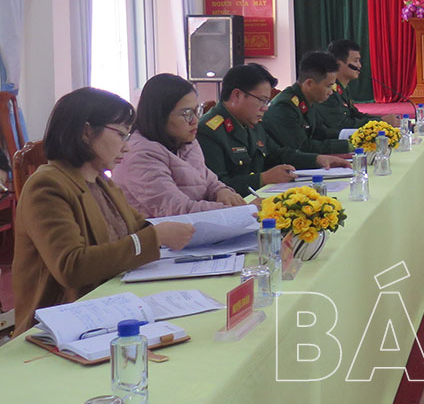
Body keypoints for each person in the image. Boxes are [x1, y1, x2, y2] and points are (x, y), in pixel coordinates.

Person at [13, 88, 194, 334]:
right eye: (121, 135)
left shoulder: (100, 180)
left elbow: (138, 227)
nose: (126, 147)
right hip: (62, 326)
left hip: (108, 308)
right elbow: (71, 267)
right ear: (86, 132)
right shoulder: (47, 186)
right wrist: (156, 237)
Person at [198, 63, 348, 196]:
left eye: (267, 101)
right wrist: (262, 179)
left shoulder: (250, 121)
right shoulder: (209, 131)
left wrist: (317, 159)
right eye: (262, 100)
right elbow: (216, 187)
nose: (265, 108)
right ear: (237, 95)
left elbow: (276, 154)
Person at [112, 73, 248, 217]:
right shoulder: (140, 155)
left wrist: (222, 191)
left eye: (197, 111)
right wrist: (236, 211)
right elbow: (178, 210)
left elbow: (208, 180)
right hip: (161, 229)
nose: (195, 120)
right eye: (187, 114)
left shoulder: (186, 142)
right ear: (161, 115)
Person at [263, 51, 352, 155]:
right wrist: (348, 146)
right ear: (309, 83)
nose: (331, 92)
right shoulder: (285, 106)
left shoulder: (308, 99)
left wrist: (353, 137)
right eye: (328, 86)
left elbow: (320, 133)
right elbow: (302, 147)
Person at [313, 39, 399, 131]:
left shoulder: (342, 88)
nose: (359, 66)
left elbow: (354, 114)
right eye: (355, 61)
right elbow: (343, 125)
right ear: (338, 64)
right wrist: (380, 121)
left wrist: (380, 119)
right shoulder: (328, 91)